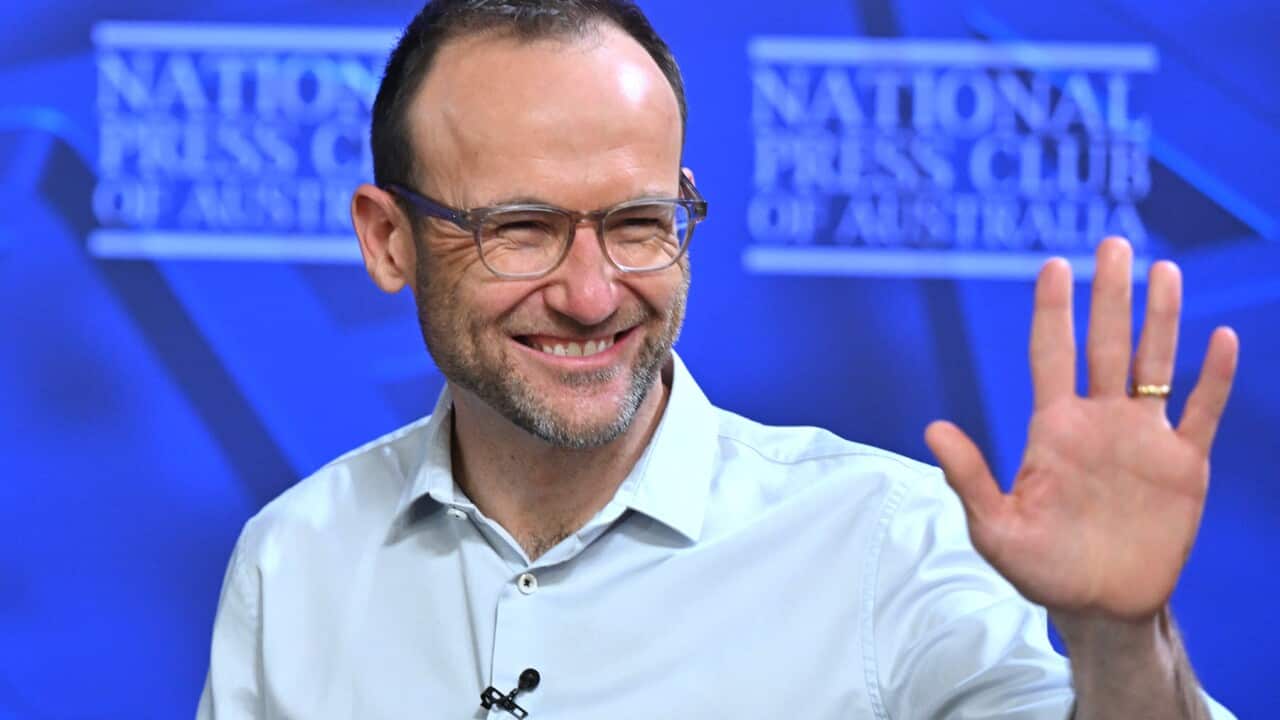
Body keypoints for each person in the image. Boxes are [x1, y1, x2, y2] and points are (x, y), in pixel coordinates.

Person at [197, 1, 1241, 718]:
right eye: (519, 229)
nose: (592, 294)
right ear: (388, 240)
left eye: (638, 223)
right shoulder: (292, 560)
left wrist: (1120, 640)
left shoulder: (890, 541)